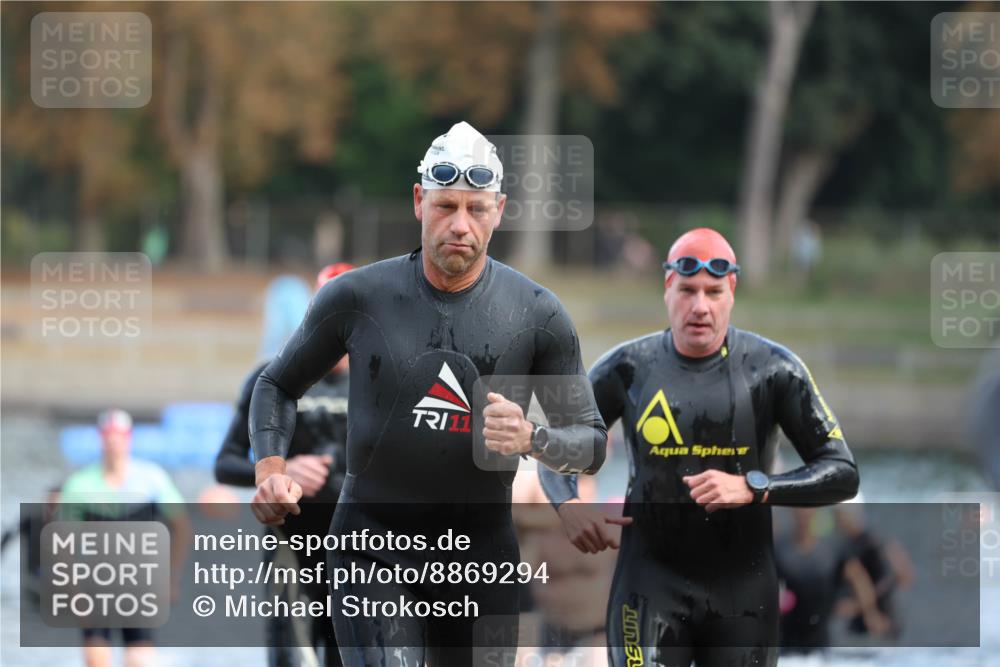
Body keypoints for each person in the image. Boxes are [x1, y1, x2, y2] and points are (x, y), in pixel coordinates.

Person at [248, 121, 608, 666]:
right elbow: (276, 384)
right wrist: (269, 469)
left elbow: (591, 442)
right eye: (445, 206)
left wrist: (532, 437)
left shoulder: (537, 315)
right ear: (419, 201)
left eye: (476, 209)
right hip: (371, 552)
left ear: (500, 210)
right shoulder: (357, 298)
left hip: (481, 559)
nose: (459, 225)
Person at [540, 228, 859, 667]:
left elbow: (841, 471)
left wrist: (754, 487)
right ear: (667, 287)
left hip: (743, 593)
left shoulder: (774, 371)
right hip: (649, 583)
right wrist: (567, 503)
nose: (700, 306)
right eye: (688, 290)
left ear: (732, 291)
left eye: (713, 292)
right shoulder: (626, 369)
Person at [215, 263, 355, 667]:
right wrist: (282, 470)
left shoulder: (382, 381)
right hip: (290, 547)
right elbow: (225, 464)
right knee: (289, 658)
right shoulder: (274, 379)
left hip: (361, 549)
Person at [60, 409, 190, 667]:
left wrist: (171, 577)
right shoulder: (79, 485)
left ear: (128, 438)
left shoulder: (152, 479)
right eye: (108, 437)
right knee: (96, 659)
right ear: (101, 438)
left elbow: (182, 528)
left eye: (118, 436)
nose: (113, 443)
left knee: (139, 658)